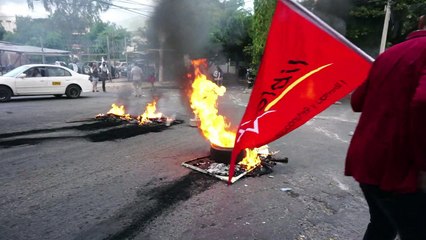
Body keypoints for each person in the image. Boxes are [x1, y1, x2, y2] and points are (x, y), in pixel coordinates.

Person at [345, 14, 426, 240]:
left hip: (367, 163)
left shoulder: (388, 55)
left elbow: (357, 101)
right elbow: (422, 103)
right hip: (401, 171)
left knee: (382, 225)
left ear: (420, 22)